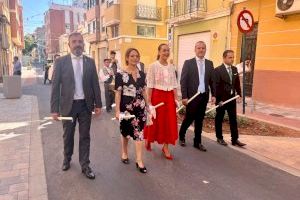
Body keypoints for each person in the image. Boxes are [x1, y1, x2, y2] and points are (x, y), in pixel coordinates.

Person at [50, 32, 102, 179]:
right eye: (74, 42)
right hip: (68, 106)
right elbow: (55, 87)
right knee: (68, 135)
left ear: (83, 44)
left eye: (80, 41)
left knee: (85, 136)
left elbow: (95, 84)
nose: (78, 44)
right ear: (69, 45)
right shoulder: (60, 62)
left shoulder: (90, 62)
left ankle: (85, 165)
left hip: (85, 106)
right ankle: (67, 158)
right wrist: (54, 109)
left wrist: (98, 104)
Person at [115, 48, 148, 174]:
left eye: (137, 56)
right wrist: (117, 111)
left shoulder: (142, 74)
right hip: (126, 109)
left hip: (140, 109)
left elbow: (144, 91)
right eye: (132, 56)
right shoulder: (120, 74)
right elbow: (118, 93)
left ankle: (139, 160)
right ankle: (124, 152)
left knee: (139, 133)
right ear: (127, 58)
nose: (135, 58)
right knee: (125, 132)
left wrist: (149, 106)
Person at [179, 41, 216, 151]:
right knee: (189, 118)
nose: (201, 50)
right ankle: (181, 136)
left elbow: (212, 81)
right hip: (192, 97)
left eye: (203, 48)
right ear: (195, 50)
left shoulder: (210, 63)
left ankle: (197, 142)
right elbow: (183, 81)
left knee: (200, 120)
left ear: (205, 50)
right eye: (199, 48)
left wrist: (214, 95)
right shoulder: (188, 63)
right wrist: (184, 96)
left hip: (203, 96)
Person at [144, 44, 179, 160]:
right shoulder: (153, 66)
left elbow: (174, 84)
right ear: (159, 52)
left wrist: (176, 98)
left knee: (169, 122)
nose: (166, 53)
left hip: (169, 97)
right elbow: (149, 84)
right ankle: (149, 138)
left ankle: (165, 147)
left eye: (168, 51)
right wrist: (148, 101)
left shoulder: (172, 67)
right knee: (154, 120)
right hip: (157, 96)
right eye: (164, 50)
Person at [214, 50, 246, 147]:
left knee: (233, 119)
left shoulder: (235, 69)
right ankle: (219, 137)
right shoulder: (217, 70)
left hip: (232, 99)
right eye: (230, 57)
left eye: (233, 57)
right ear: (224, 58)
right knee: (219, 118)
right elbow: (216, 86)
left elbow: (237, 84)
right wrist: (218, 100)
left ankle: (235, 139)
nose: (232, 59)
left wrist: (239, 95)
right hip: (222, 100)